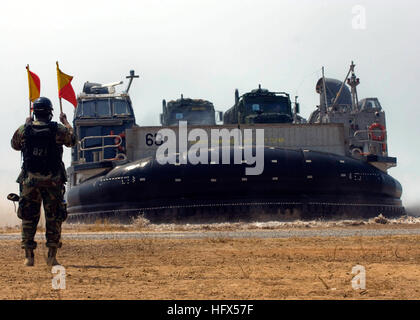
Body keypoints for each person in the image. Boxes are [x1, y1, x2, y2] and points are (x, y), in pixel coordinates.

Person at [11, 97, 77, 266]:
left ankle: (29, 256)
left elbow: (15, 145)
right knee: (54, 218)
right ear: (50, 112)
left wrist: (26, 125)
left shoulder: (25, 129)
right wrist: (66, 122)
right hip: (53, 181)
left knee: (28, 217)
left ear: (34, 112)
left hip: (29, 181)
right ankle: (52, 256)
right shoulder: (59, 129)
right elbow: (73, 141)